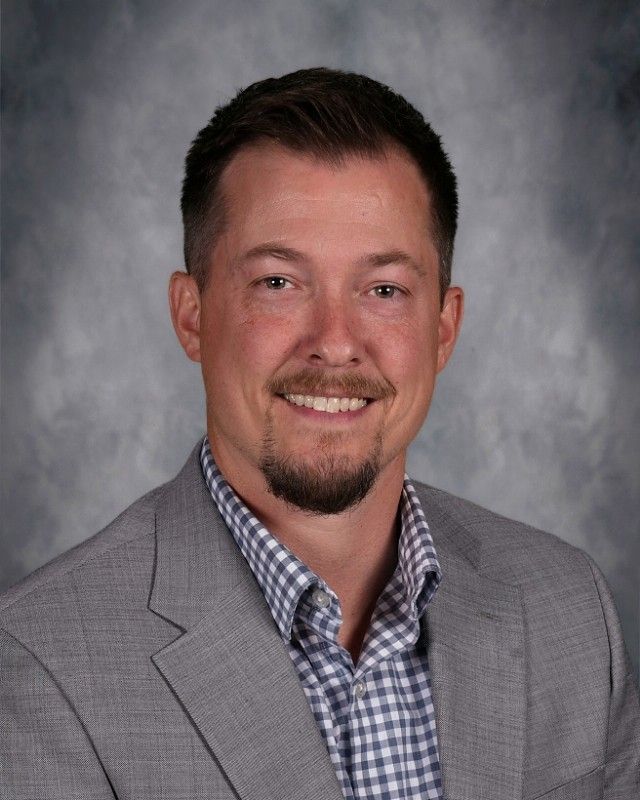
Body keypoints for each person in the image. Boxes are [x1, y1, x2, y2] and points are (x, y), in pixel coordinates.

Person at [1, 68, 638, 800]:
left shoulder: (568, 608)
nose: (335, 344)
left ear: (443, 330)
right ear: (192, 315)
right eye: (278, 283)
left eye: (384, 290)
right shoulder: (38, 666)